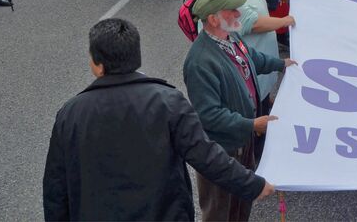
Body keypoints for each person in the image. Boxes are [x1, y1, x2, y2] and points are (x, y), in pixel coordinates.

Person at [43, 18, 275, 220]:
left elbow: (56, 187)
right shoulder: (168, 102)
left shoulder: (71, 113)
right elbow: (206, 156)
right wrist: (252, 184)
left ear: (97, 64)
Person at [183, 0, 292, 222]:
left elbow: (252, 58)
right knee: (220, 212)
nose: (238, 14)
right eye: (232, 10)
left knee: (242, 207)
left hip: (243, 142)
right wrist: (251, 124)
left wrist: (282, 64)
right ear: (213, 19)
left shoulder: (230, 36)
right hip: (223, 152)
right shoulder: (200, 62)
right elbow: (209, 115)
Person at [199, 0, 294, 104]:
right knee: (258, 105)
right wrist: (287, 20)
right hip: (251, 71)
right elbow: (254, 23)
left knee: (264, 100)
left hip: (257, 63)